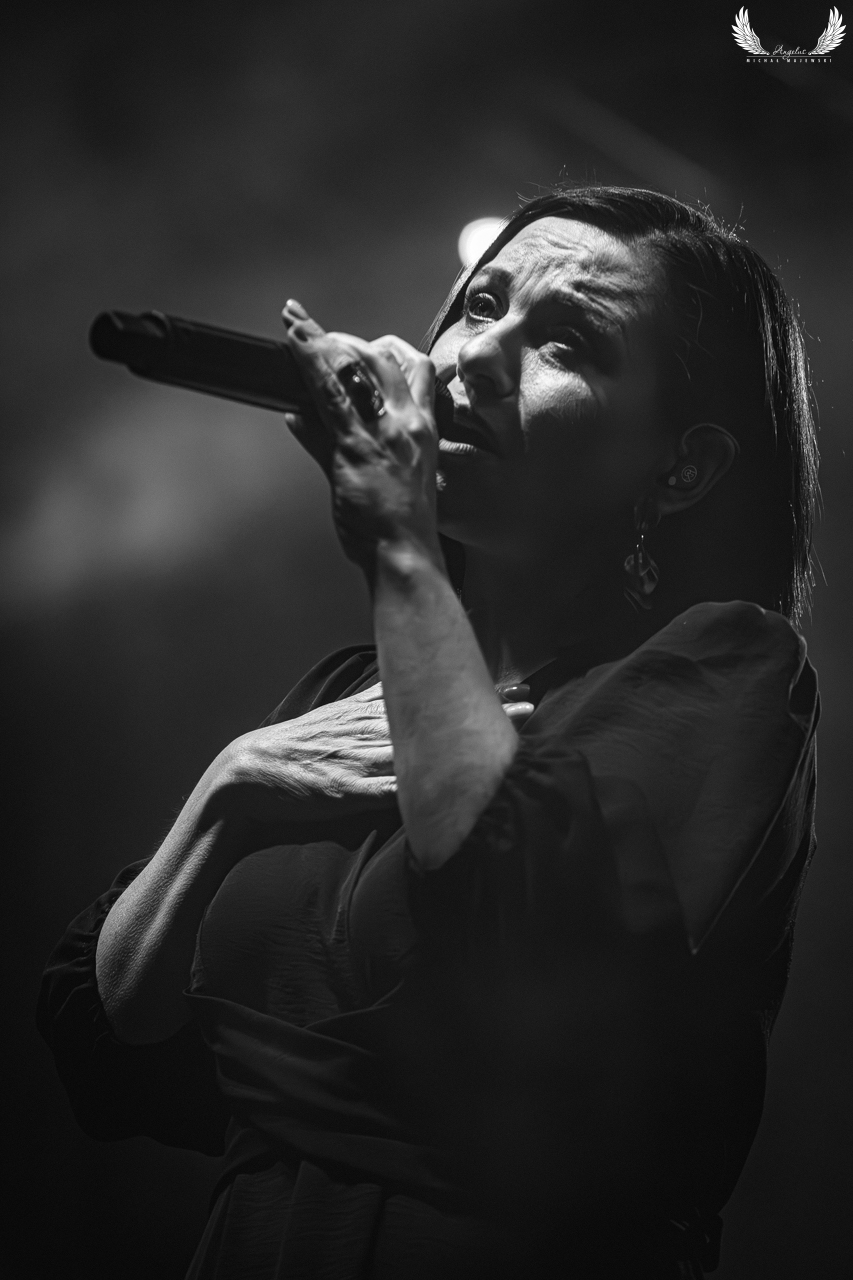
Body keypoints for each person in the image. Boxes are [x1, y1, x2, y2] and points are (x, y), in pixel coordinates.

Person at [38, 186, 820, 1279]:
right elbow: (113, 1037)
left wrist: (399, 543)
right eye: (480, 305)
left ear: (680, 466)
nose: (476, 356)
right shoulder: (346, 694)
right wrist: (229, 788)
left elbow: (526, 958)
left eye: (566, 341)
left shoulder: (725, 670)